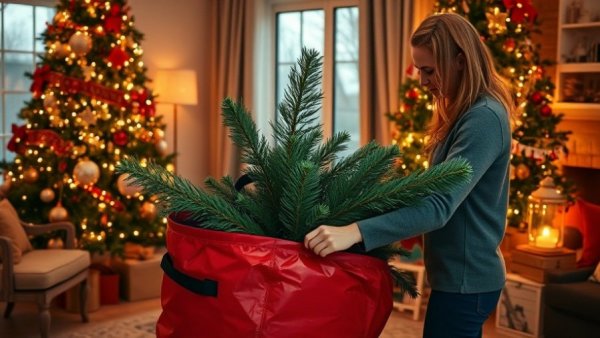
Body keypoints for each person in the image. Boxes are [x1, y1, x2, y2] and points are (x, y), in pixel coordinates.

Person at [304, 12, 515, 338]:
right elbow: (430, 188)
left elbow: (438, 206)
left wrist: (355, 231)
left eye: (429, 71)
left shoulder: (483, 118)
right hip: (457, 279)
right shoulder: (465, 113)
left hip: (467, 282)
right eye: (419, 70)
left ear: (460, 61)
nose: (422, 81)